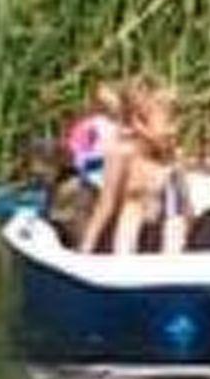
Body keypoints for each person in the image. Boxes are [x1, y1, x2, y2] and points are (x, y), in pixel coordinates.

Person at [79, 79, 190, 255]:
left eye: (175, 122)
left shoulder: (172, 156)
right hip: (124, 234)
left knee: (174, 216)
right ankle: (124, 261)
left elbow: (184, 203)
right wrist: (86, 248)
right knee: (133, 208)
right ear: (139, 124)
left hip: (161, 231)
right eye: (167, 123)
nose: (173, 130)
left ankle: (172, 262)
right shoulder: (123, 154)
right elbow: (106, 204)